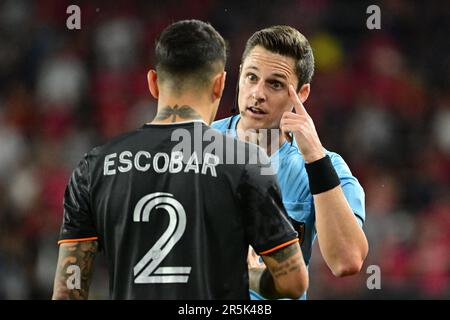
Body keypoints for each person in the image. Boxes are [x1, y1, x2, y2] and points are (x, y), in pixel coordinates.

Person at [52, 20, 308, 300]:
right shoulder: (246, 163)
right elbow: (294, 282)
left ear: (152, 83)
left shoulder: (94, 167)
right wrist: (247, 274)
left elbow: (68, 291)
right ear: (220, 84)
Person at [212, 25, 369, 300]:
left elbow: (347, 261)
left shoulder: (324, 168)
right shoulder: (197, 144)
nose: (257, 93)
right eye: (251, 77)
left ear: (302, 93)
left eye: (275, 84)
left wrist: (315, 161)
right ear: (238, 76)